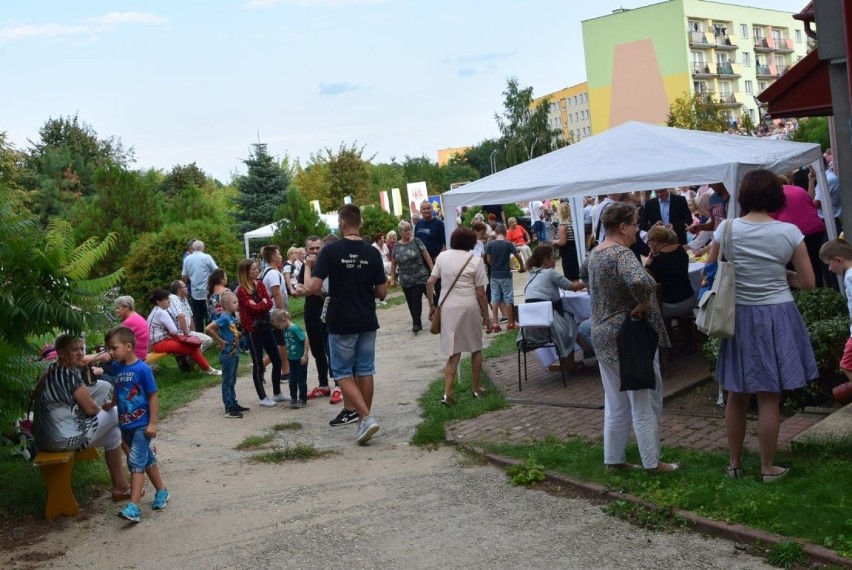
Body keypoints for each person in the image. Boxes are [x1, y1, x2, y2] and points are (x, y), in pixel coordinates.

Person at [709, 169, 816, 483]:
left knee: (736, 393)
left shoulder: (726, 229)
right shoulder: (789, 232)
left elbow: (711, 269)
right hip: (777, 314)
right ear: (776, 196)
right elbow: (808, 282)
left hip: (738, 315)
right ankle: (768, 468)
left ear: (743, 195)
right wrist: (781, 274)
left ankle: (735, 464)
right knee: (770, 395)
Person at [581, 201, 677, 474]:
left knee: (615, 402)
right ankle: (652, 463)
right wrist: (645, 302)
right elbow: (640, 281)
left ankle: (614, 460)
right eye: (635, 225)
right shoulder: (622, 254)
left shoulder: (595, 254)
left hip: (602, 333)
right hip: (628, 335)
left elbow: (582, 273)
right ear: (622, 227)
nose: (638, 230)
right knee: (644, 400)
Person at [308, 204, 387, 445]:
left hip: (341, 320)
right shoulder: (372, 252)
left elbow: (313, 287)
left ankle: (366, 417)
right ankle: (364, 420)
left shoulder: (330, 252)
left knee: (342, 372)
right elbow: (382, 292)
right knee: (365, 369)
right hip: (367, 318)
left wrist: (315, 284)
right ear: (360, 223)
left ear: (341, 223)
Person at [31, 333, 131, 502]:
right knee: (117, 412)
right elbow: (91, 408)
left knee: (113, 434)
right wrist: (105, 407)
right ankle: (137, 455)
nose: (80, 353)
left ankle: (120, 488)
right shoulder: (67, 374)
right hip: (61, 439)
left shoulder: (50, 368)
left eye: (81, 349)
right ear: (61, 353)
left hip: (44, 438)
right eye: (74, 349)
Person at [105, 326, 170, 522]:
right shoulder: (117, 368)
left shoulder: (142, 369)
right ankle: (162, 491)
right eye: (109, 348)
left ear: (129, 346)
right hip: (125, 425)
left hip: (142, 424)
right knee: (146, 459)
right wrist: (113, 403)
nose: (111, 352)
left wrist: (153, 423)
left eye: (114, 348)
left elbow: (152, 396)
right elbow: (119, 388)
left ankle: (134, 507)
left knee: (135, 461)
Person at [427, 227, 491, 405]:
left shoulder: (442, 257)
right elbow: (480, 293)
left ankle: (448, 391)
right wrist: (486, 316)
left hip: (447, 308)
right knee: (475, 348)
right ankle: (476, 388)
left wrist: (432, 304)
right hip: (469, 307)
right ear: (471, 243)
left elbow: (430, 281)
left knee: (453, 352)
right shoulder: (476, 261)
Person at [523, 245, 586, 373]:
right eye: (553, 258)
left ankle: (568, 363)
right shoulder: (550, 273)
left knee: (568, 319)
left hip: (531, 327)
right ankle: (573, 362)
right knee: (572, 323)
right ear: (546, 260)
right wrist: (590, 280)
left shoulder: (531, 273)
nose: (555, 261)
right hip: (549, 321)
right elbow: (573, 287)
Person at [295, 236, 337, 407]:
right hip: (311, 312)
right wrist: (307, 268)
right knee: (317, 350)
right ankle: (323, 385)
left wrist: (309, 288)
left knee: (330, 349)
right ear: (306, 250)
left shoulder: (328, 265)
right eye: (311, 249)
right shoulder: (306, 267)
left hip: (327, 312)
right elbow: (302, 289)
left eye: (317, 248)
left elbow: (313, 288)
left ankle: (339, 385)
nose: (314, 252)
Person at [235, 259, 283, 407]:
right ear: (246, 272)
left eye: (257, 268)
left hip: (265, 327)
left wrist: (260, 303)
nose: (257, 271)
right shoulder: (241, 290)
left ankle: (277, 392)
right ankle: (262, 397)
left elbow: (268, 303)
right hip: (252, 330)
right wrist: (260, 303)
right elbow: (253, 309)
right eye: (253, 269)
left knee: (277, 359)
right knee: (258, 364)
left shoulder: (260, 284)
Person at [147, 289, 221, 375]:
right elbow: (174, 330)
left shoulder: (156, 311)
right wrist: (183, 337)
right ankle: (208, 369)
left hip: (158, 343)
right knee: (192, 348)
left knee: (191, 346)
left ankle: (204, 368)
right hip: (161, 344)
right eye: (167, 299)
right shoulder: (161, 312)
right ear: (159, 302)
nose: (169, 301)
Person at [771, 184, 826, 288]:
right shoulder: (799, 189)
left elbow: (771, 216)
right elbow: (811, 204)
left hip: (791, 233)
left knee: (793, 268)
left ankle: (802, 296)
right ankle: (819, 292)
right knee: (815, 264)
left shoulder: (773, 194)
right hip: (814, 229)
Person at [205, 291, 248, 418]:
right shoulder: (224, 317)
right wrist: (219, 340)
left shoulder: (231, 318)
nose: (237, 304)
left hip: (234, 353)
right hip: (227, 354)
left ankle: (233, 403)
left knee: (232, 380)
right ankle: (229, 408)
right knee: (227, 381)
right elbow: (208, 328)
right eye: (234, 302)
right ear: (226, 305)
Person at [389, 220, 433, 334]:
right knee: (410, 301)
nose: (408, 232)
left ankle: (416, 324)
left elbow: (427, 256)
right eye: (405, 230)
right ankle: (422, 317)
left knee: (416, 298)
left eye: (409, 230)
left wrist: (433, 270)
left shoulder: (417, 241)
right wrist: (392, 278)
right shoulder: (396, 246)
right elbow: (393, 263)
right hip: (405, 278)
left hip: (420, 275)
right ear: (400, 232)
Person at [643, 226, 695, 318]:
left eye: (649, 242)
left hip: (670, 305)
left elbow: (645, 278)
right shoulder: (681, 251)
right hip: (689, 299)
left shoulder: (656, 260)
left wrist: (651, 257)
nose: (649, 245)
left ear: (655, 241)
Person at [820, 239, 852, 383]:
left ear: (838, 260)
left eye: (829, 264)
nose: (830, 269)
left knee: (846, 365)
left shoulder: (850, 277)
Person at [260, 245, 291, 392]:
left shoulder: (269, 271)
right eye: (279, 254)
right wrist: (283, 312)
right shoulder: (273, 274)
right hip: (274, 314)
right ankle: (264, 366)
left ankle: (283, 371)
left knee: (281, 343)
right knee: (280, 344)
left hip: (272, 312)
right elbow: (277, 294)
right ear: (273, 257)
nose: (281, 256)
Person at [485, 224, 525, 332]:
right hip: (505, 274)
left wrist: (494, 265)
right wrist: (521, 266)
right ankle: (510, 323)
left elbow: (488, 259)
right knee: (508, 297)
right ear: (504, 232)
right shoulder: (508, 244)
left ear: (496, 232)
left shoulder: (490, 244)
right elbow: (517, 256)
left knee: (495, 298)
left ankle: (496, 324)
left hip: (494, 274)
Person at [271, 308, 310, 409]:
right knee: (292, 380)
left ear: (284, 320)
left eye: (279, 326)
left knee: (301, 380)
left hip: (300, 359)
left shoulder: (294, 329)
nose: (279, 328)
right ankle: (294, 399)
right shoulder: (285, 330)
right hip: (291, 359)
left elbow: (305, 339)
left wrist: (305, 355)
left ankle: (303, 399)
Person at [181, 240, 218, 333]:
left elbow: (184, 276)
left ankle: (200, 335)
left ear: (193, 248)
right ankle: (211, 334)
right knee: (209, 313)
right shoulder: (207, 257)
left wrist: (184, 287)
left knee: (198, 316)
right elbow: (216, 271)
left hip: (194, 291)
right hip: (207, 290)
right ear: (203, 247)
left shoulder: (187, 259)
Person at [168, 280, 213, 351]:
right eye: (184, 287)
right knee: (205, 341)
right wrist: (188, 336)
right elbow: (180, 316)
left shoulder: (184, 299)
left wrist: (195, 335)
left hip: (187, 332)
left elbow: (190, 317)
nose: (187, 288)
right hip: (179, 334)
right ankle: (190, 356)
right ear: (179, 290)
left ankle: (190, 358)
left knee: (208, 340)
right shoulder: (173, 298)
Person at [415, 200, 446, 302]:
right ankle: (434, 305)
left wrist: (440, 255)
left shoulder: (439, 224)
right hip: (421, 262)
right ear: (420, 211)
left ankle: (440, 308)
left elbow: (445, 243)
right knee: (424, 286)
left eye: (429, 208)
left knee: (438, 286)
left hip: (436, 261)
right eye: (424, 209)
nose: (427, 210)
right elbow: (415, 242)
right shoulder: (418, 225)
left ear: (432, 209)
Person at [115, 296, 150, 361]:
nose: (116, 310)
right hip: (142, 354)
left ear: (126, 307)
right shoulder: (137, 317)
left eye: (118, 308)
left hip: (135, 356)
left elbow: (118, 341)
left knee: (105, 365)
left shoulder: (129, 321)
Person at [554, 202, 580, 280]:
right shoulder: (573, 223)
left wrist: (554, 242)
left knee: (570, 272)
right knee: (576, 270)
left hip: (567, 251)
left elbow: (563, 242)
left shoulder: (563, 225)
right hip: (575, 248)